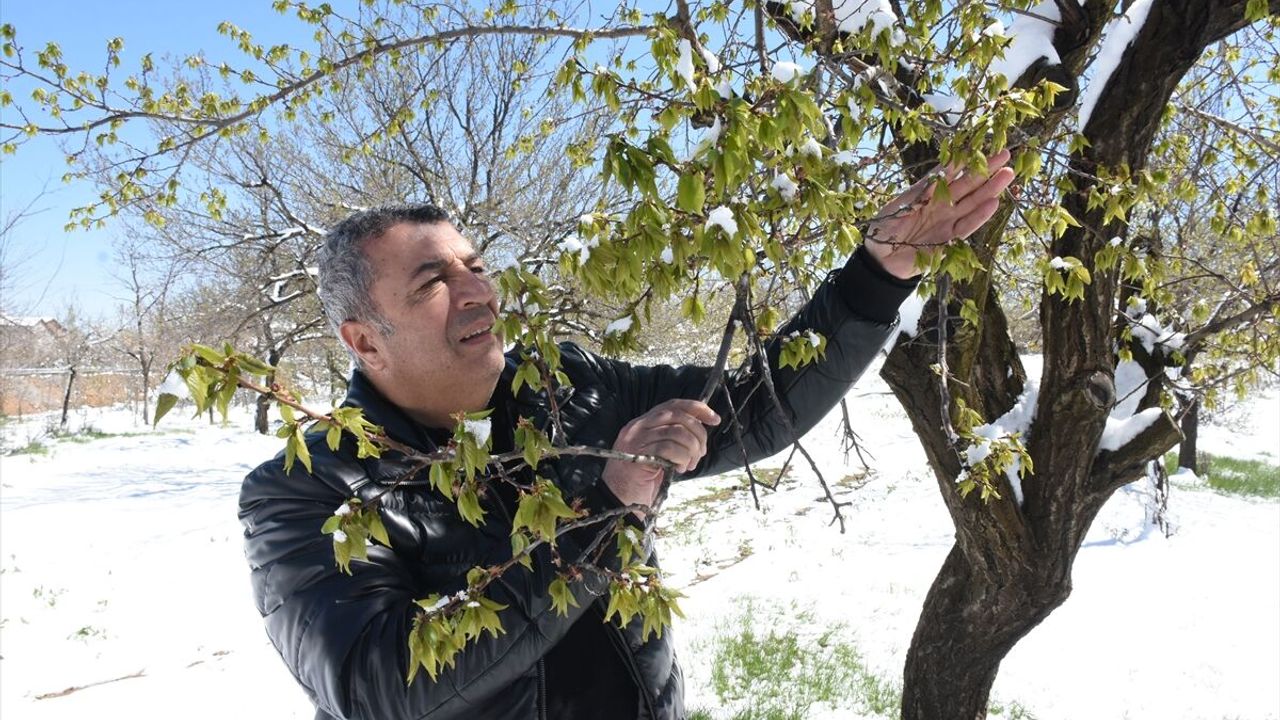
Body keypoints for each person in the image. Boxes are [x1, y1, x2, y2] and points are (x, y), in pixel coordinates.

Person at [239, 151, 1015, 720]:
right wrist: (604, 514)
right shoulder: (308, 492)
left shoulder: (570, 391)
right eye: (433, 282)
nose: (479, 291)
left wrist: (877, 274)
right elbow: (379, 686)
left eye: (473, 265)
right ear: (364, 340)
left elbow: (753, 409)